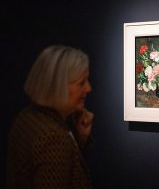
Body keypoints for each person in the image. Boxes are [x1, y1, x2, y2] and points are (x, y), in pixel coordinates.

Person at [7, 45, 94, 189]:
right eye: (81, 83)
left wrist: (80, 140)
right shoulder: (54, 137)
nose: (89, 88)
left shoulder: (28, 116)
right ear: (58, 86)